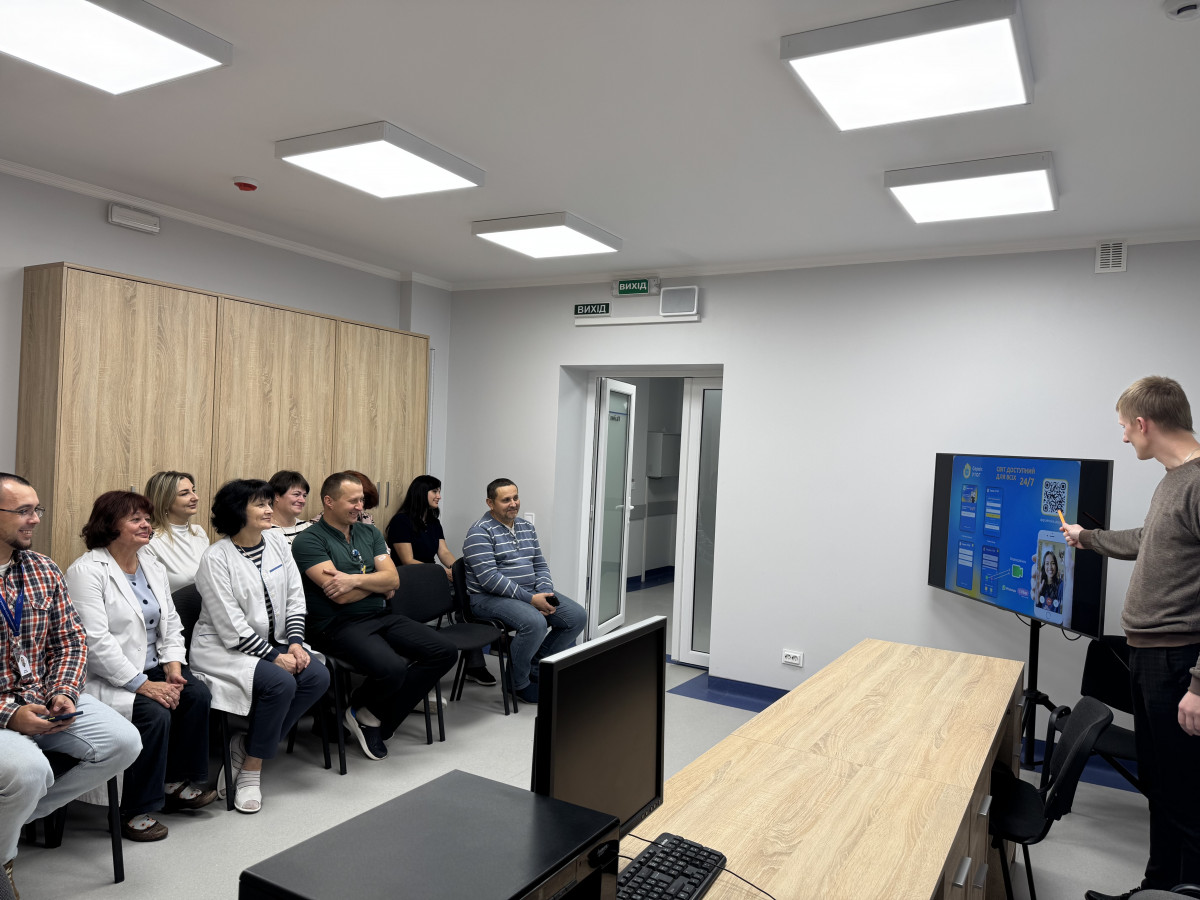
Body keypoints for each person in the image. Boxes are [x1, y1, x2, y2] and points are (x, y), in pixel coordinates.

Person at [1061, 377, 1200, 900]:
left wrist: (1199, 684)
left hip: (1178, 663)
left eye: (1124, 427)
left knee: (1184, 794)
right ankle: (1155, 890)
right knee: (1161, 787)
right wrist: (1088, 538)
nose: (1123, 438)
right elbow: (1150, 539)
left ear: (1144, 424)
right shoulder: (1174, 479)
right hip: (1150, 657)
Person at [1, 473, 141, 896]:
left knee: (124, 742)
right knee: (29, 771)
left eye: (37, 510)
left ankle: (10, 824)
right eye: (23, 511)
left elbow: (71, 641)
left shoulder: (42, 568)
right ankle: (4, 858)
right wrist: (10, 715)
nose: (35, 520)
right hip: (4, 709)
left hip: (43, 695)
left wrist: (63, 690)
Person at [66, 491, 216, 841]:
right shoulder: (86, 571)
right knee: (154, 714)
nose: (146, 525)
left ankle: (174, 783)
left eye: (147, 518)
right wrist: (143, 685)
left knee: (196, 695)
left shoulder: (151, 564)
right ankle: (133, 809)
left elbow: (171, 622)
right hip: (110, 675)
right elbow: (94, 641)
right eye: (135, 519)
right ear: (109, 525)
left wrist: (174, 665)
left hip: (156, 664)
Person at [292, 472, 456, 761]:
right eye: (352, 501)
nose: (360, 506)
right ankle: (368, 717)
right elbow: (339, 596)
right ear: (329, 501)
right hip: (335, 624)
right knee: (392, 669)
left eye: (362, 500)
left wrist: (354, 580)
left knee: (444, 651)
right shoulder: (309, 541)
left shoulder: (369, 533)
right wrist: (376, 585)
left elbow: (394, 579)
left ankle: (368, 713)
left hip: (380, 615)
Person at [192, 480, 329, 813]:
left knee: (317, 676)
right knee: (281, 682)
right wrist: (274, 657)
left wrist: (295, 644)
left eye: (269, 503)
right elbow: (231, 626)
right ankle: (253, 769)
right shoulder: (216, 558)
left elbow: (295, 597)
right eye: (260, 504)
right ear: (238, 512)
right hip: (226, 648)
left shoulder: (276, 542)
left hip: (276, 640)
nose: (270, 510)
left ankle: (248, 745)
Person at [461, 478, 585, 704]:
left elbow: (540, 564)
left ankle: (535, 667)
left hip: (530, 592)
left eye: (515, 498)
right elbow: (490, 580)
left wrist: (545, 593)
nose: (513, 504)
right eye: (505, 500)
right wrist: (531, 600)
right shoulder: (479, 532)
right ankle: (517, 683)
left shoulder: (526, 527)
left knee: (576, 616)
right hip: (488, 599)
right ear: (490, 503)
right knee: (534, 623)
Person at [387, 475, 495, 687]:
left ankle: (474, 663)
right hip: (410, 581)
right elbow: (407, 561)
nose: (439, 496)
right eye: (434, 491)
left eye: (439, 491)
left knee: (467, 597)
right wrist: (440, 572)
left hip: (433, 577)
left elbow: (443, 552)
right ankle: (465, 660)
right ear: (421, 493)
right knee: (460, 601)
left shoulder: (432, 521)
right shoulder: (401, 521)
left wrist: (457, 571)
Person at [144, 471, 211, 592]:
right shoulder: (150, 541)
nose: (195, 498)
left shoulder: (199, 532)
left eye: (193, 491)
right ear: (164, 501)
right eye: (184, 493)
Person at [268, 470, 316, 545]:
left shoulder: (309, 529)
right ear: (276, 496)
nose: (302, 500)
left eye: (304, 496)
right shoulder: (262, 530)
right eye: (296, 494)